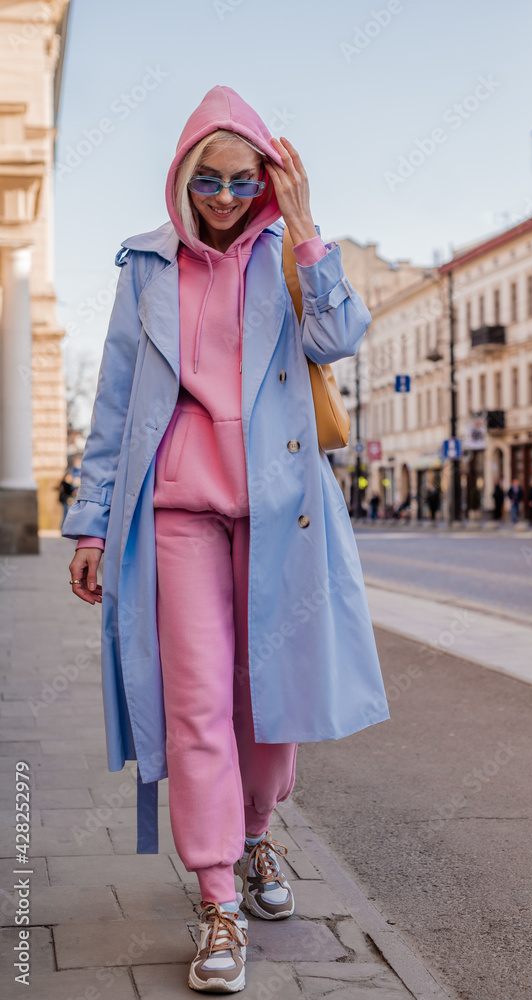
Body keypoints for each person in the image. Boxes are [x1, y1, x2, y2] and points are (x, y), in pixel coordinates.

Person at [62, 86, 389, 995]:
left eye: (241, 179)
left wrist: (307, 221)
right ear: (179, 177)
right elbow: (116, 403)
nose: (221, 194)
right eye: (204, 178)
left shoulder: (290, 254)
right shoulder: (147, 266)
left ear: (265, 177)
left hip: (280, 509)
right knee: (196, 701)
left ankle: (255, 837)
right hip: (175, 513)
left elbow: (342, 335)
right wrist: (89, 522)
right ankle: (216, 896)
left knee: (269, 695)